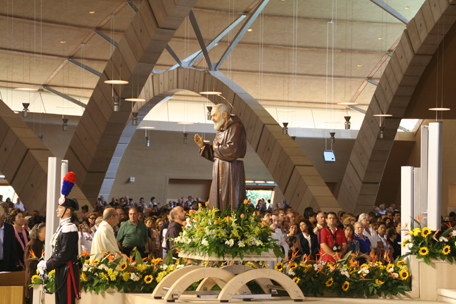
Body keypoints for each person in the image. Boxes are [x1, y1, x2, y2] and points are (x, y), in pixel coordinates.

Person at [37, 171, 81, 304]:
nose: (57, 210)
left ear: (67, 210)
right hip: (62, 269)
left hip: (67, 270)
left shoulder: (70, 228)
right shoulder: (63, 227)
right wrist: (46, 263)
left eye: (60, 207)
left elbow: (64, 254)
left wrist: (48, 263)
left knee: (65, 301)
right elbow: (58, 252)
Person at [194, 103, 247, 210]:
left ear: (224, 115)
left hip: (231, 170)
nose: (212, 118)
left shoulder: (236, 127)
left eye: (214, 115)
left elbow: (233, 151)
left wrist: (217, 148)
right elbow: (216, 154)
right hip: (218, 170)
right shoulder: (221, 130)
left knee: (228, 199)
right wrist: (204, 147)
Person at [24, 222, 45, 304]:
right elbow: (30, 263)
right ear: (38, 233)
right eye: (44, 232)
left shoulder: (43, 243)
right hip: (33, 275)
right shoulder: (32, 244)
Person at [0, 205, 21, 271]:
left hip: (6, 263)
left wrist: (16, 262)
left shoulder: (9, 228)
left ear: (2, 216)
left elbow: (13, 246)